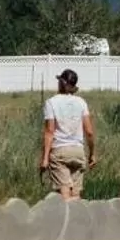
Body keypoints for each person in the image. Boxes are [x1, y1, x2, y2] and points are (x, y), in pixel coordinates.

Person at [40, 68, 95, 200]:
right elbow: (89, 132)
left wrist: (45, 158)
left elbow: (49, 132)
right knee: (75, 194)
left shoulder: (51, 102)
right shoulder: (81, 103)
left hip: (60, 151)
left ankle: (68, 219)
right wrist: (92, 153)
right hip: (78, 151)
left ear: (61, 83)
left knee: (64, 193)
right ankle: (77, 218)